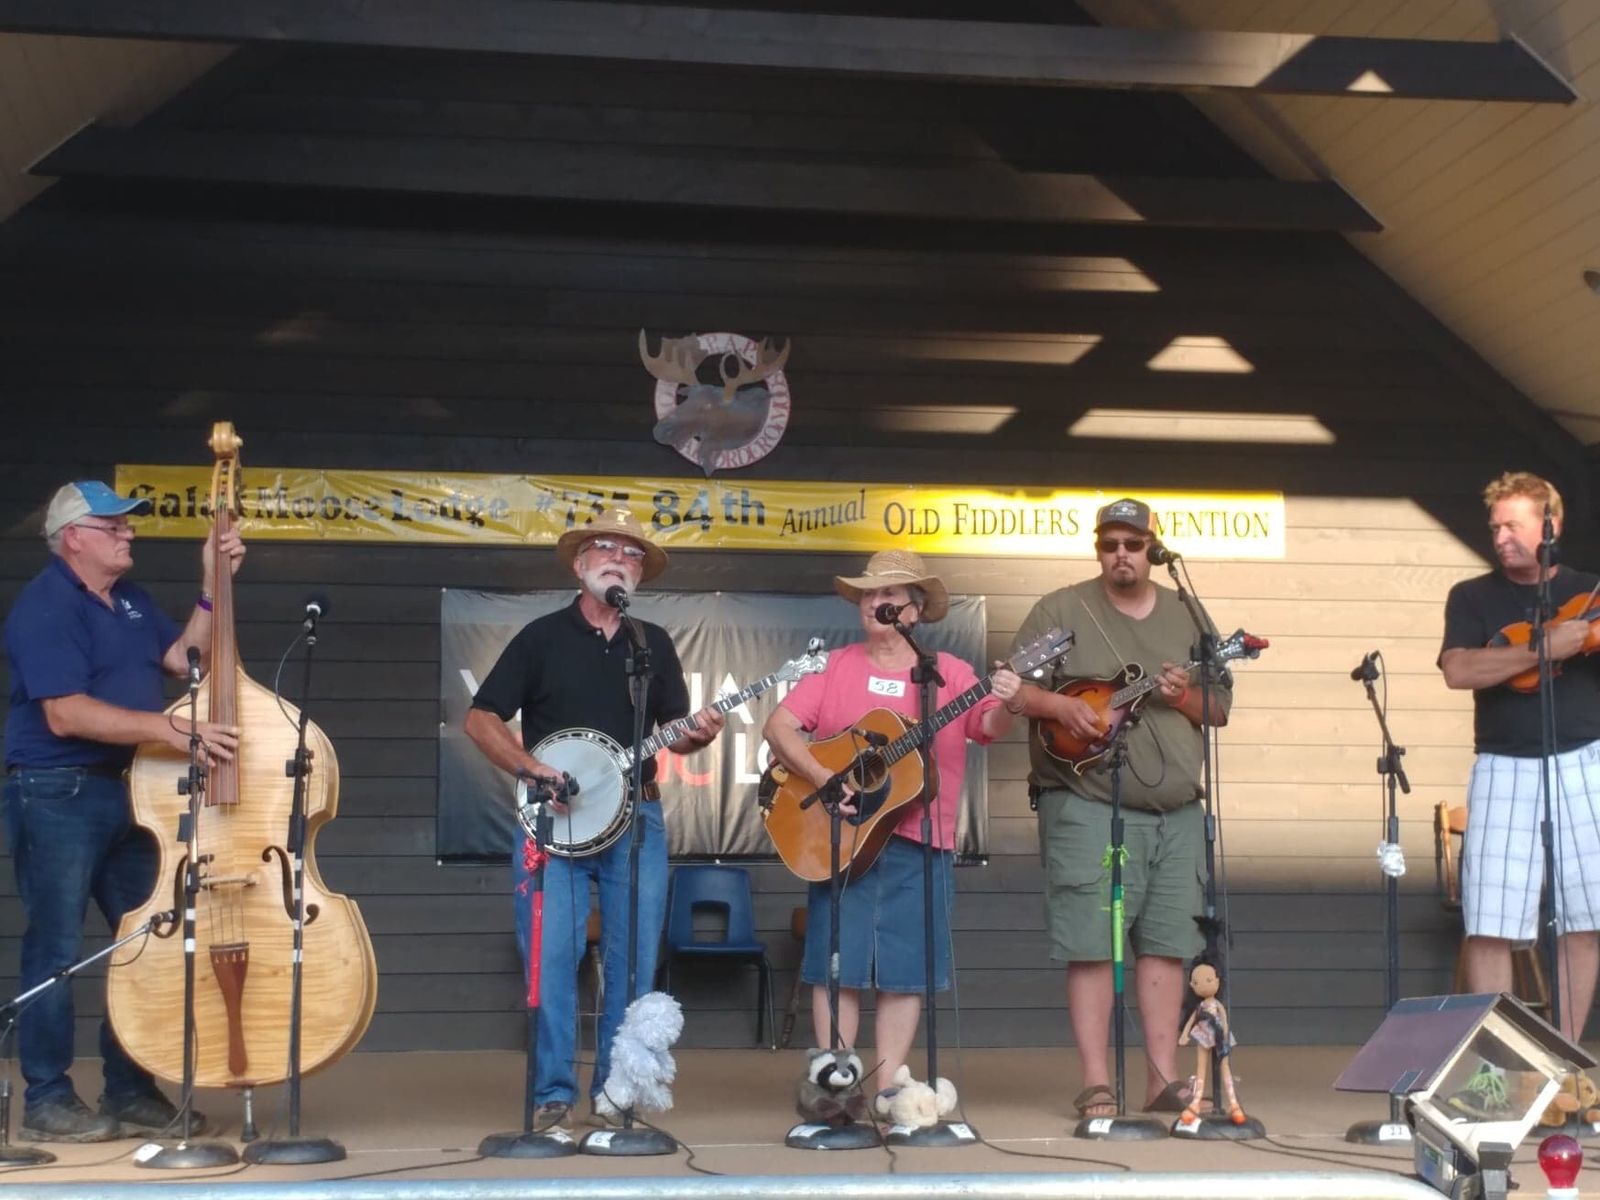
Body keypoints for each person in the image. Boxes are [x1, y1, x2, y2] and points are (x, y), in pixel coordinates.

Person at [464, 508, 725, 1133]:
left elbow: (674, 731)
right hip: (556, 823)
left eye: (632, 553)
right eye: (606, 548)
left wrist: (699, 734)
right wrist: (532, 769)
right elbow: (480, 718)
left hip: (637, 819)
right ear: (580, 565)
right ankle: (553, 1093)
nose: (619, 559)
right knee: (552, 956)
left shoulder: (651, 644)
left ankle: (618, 1091)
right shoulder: (541, 638)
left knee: (632, 961)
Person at [3, 480, 244, 1142]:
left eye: (127, 524)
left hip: (128, 790)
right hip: (56, 789)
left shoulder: (131, 600)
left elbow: (183, 659)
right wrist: (172, 730)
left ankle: (130, 1089)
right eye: (113, 526)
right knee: (56, 946)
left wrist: (213, 582)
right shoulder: (46, 604)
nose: (128, 532)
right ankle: (47, 1099)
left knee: (147, 939)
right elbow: (65, 713)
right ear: (73, 539)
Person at [762, 549, 1020, 1103]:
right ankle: (835, 1086)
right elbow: (778, 726)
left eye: (889, 594)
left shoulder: (948, 673)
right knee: (838, 965)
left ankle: (886, 1089)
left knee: (905, 970)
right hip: (842, 838)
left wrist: (1009, 700)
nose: (875, 601)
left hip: (922, 839)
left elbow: (988, 727)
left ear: (915, 610)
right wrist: (825, 776)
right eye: (869, 593)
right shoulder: (835, 666)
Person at [1007, 497, 1230, 1120]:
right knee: (1091, 944)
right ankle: (1097, 1083)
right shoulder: (1060, 609)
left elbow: (1218, 709)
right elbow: (1013, 688)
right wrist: (1060, 706)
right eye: (1110, 545)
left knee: (1166, 944)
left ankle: (1162, 1079)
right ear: (1098, 549)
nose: (1121, 555)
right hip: (1087, 801)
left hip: (1177, 811)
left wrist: (1181, 696)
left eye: (1133, 544)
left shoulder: (1188, 613)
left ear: (1153, 548)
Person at [1438, 471, 1600, 1045]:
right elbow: (1458, 669)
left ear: (1550, 525)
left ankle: (1563, 1055)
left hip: (1585, 760)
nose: (1500, 537)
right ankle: (1499, 1064)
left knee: (1585, 917)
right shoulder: (1472, 596)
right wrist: (1543, 648)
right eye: (1495, 527)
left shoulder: (1590, 589)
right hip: (1503, 763)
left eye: (1512, 525)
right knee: (1490, 921)